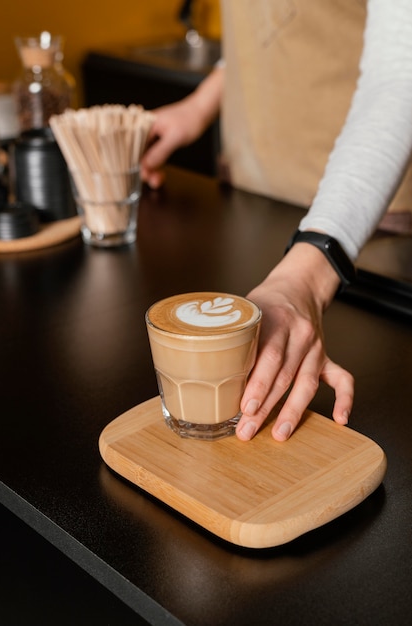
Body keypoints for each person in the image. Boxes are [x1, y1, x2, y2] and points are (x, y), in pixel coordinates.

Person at [141, 0, 412, 442]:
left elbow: (402, 71)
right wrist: (201, 104)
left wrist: (311, 269)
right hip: (252, 201)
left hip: (355, 225)